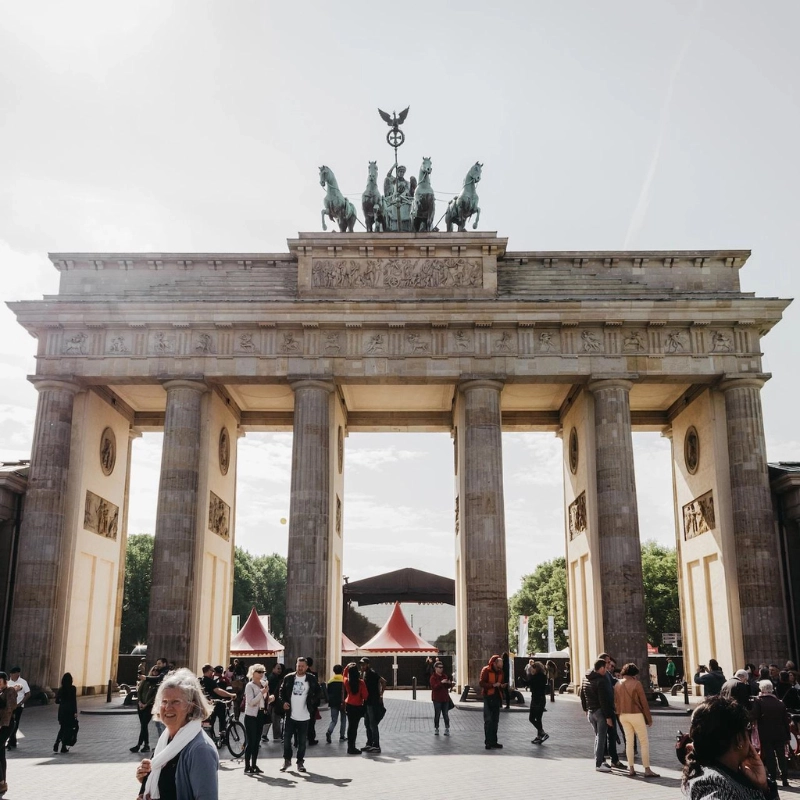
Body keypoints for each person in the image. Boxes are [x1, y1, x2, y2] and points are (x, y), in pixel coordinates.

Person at [135, 668, 219, 800]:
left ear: (191, 706)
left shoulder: (200, 750)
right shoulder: (166, 740)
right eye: (164, 701)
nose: (168, 707)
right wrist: (145, 778)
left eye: (175, 702)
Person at [682, 695, 773, 799]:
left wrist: (763, 787)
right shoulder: (715, 785)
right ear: (739, 739)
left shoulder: (727, 773)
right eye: (747, 728)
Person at [614, 663, 659, 778]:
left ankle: (631, 769)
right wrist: (649, 719)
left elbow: (616, 702)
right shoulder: (636, 684)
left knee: (629, 742)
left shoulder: (617, 684)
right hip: (636, 714)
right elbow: (644, 702)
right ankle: (647, 769)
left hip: (623, 715)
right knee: (643, 742)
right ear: (634, 674)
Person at [279, 657, 321, 772]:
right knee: (287, 739)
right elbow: (281, 692)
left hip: (305, 715)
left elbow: (319, 692)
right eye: (298, 666)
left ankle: (300, 762)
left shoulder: (311, 678)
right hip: (290, 715)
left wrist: (312, 702)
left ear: (307, 667)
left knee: (302, 742)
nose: (300, 668)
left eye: (302, 666)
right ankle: (287, 760)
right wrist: (283, 703)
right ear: (296, 665)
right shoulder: (288, 678)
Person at [752, 679, 790, 787]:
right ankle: (784, 778)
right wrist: (787, 735)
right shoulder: (780, 703)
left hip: (766, 733)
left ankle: (773, 777)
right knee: (781, 756)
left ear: (761, 689)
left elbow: (754, 716)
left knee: (770, 756)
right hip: (780, 733)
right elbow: (785, 721)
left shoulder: (759, 702)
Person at [580, 658, 614, 772]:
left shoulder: (586, 678)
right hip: (600, 712)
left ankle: (600, 760)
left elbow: (582, 695)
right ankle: (599, 763)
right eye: (605, 668)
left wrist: (585, 709)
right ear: (601, 668)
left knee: (597, 736)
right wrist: (608, 717)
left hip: (590, 711)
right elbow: (604, 700)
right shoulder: (601, 680)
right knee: (601, 737)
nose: (607, 670)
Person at [243, 664, 272, 774]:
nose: (261, 674)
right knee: (251, 741)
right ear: (253, 673)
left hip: (260, 714)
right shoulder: (249, 686)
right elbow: (251, 702)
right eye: (259, 671)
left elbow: (263, 700)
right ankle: (247, 766)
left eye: (262, 671)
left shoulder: (264, 684)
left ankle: (254, 765)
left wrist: (269, 699)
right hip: (251, 715)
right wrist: (262, 693)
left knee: (257, 741)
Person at [598, 653, 625, 769]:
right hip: (605, 711)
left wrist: (625, 681)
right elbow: (602, 698)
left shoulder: (607, 675)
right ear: (603, 663)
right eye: (608, 662)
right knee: (603, 736)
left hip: (609, 709)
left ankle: (613, 759)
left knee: (612, 735)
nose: (611, 664)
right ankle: (602, 760)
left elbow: (614, 681)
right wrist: (608, 716)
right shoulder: (600, 677)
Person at [199, 663, 235, 739]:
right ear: (208, 671)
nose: (213, 673)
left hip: (205, 706)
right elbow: (218, 690)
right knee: (222, 720)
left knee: (209, 723)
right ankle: (222, 737)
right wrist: (230, 695)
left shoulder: (200, 680)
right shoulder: (211, 681)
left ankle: (210, 738)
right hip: (217, 703)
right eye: (212, 671)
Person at [479, 654, 506, 750]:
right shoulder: (486, 670)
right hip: (488, 697)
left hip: (496, 698)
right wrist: (493, 685)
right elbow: (481, 683)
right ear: (495, 663)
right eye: (500, 662)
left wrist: (502, 686)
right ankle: (488, 742)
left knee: (495, 721)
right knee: (488, 720)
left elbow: (500, 683)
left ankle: (494, 741)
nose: (502, 663)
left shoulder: (501, 672)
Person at [359, 658, 386, 754]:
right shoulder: (364, 674)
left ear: (368, 665)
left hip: (372, 702)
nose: (362, 667)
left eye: (364, 665)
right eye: (361, 665)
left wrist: (381, 694)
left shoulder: (372, 673)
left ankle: (376, 745)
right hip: (366, 702)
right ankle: (369, 743)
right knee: (367, 723)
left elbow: (383, 681)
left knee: (372, 724)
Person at [131, 666, 159, 753]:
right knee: (143, 726)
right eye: (153, 670)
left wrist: (146, 704)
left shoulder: (157, 683)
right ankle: (146, 745)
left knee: (144, 725)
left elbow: (154, 696)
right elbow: (139, 691)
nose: (155, 671)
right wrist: (139, 702)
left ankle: (139, 745)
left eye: (157, 670)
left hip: (149, 707)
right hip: (140, 705)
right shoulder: (145, 681)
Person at [343, 663, 368, 755]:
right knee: (354, 727)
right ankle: (352, 747)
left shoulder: (347, 682)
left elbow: (344, 675)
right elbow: (365, 696)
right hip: (358, 706)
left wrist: (347, 667)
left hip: (349, 705)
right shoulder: (361, 683)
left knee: (350, 726)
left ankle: (350, 746)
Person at [0, 672, 17, 795]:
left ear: (5, 681)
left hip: (7, 724)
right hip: (1, 724)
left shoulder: (10, 691)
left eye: (0, 681)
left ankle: (1, 781)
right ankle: (3, 782)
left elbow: (10, 708)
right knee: (1, 753)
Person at [525, 661, 549, 745]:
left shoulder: (535, 677)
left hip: (536, 699)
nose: (532, 669)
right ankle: (539, 736)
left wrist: (521, 680)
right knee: (538, 719)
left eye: (533, 668)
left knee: (531, 718)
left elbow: (528, 683)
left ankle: (542, 733)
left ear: (537, 668)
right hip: (542, 699)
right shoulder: (543, 676)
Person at [54, 672, 77, 753]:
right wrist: (75, 712)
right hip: (70, 711)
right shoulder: (73, 688)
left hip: (62, 711)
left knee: (62, 728)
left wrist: (62, 701)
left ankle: (57, 742)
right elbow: (74, 701)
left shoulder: (61, 689)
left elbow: (56, 701)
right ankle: (63, 746)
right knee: (67, 729)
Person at [6, 667, 29, 749]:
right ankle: (13, 740)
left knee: (15, 723)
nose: (12, 676)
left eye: (14, 674)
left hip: (18, 707)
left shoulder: (23, 682)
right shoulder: (8, 682)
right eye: (11, 675)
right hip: (9, 707)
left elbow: (28, 694)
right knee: (9, 723)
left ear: (17, 674)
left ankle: (10, 741)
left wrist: (21, 703)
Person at [429, 661, 454, 736]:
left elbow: (447, 687)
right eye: (440, 667)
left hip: (445, 698)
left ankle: (447, 728)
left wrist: (449, 684)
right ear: (436, 668)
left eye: (442, 667)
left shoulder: (444, 676)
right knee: (437, 714)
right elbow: (434, 687)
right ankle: (436, 728)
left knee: (445, 714)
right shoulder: (433, 677)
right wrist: (441, 683)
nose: (441, 669)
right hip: (437, 699)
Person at [325, 664, 347, 743]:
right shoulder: (344, 680)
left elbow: (328, 692)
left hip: (333, 703)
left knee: (334, 720)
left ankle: (329, 731)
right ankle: (342, 736)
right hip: (342, 702)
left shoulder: (330, 681)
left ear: (334, 671)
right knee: (343, 719)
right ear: (342, 671)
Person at [265, 663, 286, 743]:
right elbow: (274, 691)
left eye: (280, 668)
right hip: (273, 701)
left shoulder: (273, 677)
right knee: (275, 718)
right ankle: (276, 735)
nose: (279, 670)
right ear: (273, 669)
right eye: (278, 668)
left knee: (270, 719)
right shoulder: (273, 678)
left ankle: (264, 734)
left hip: (271, 701)